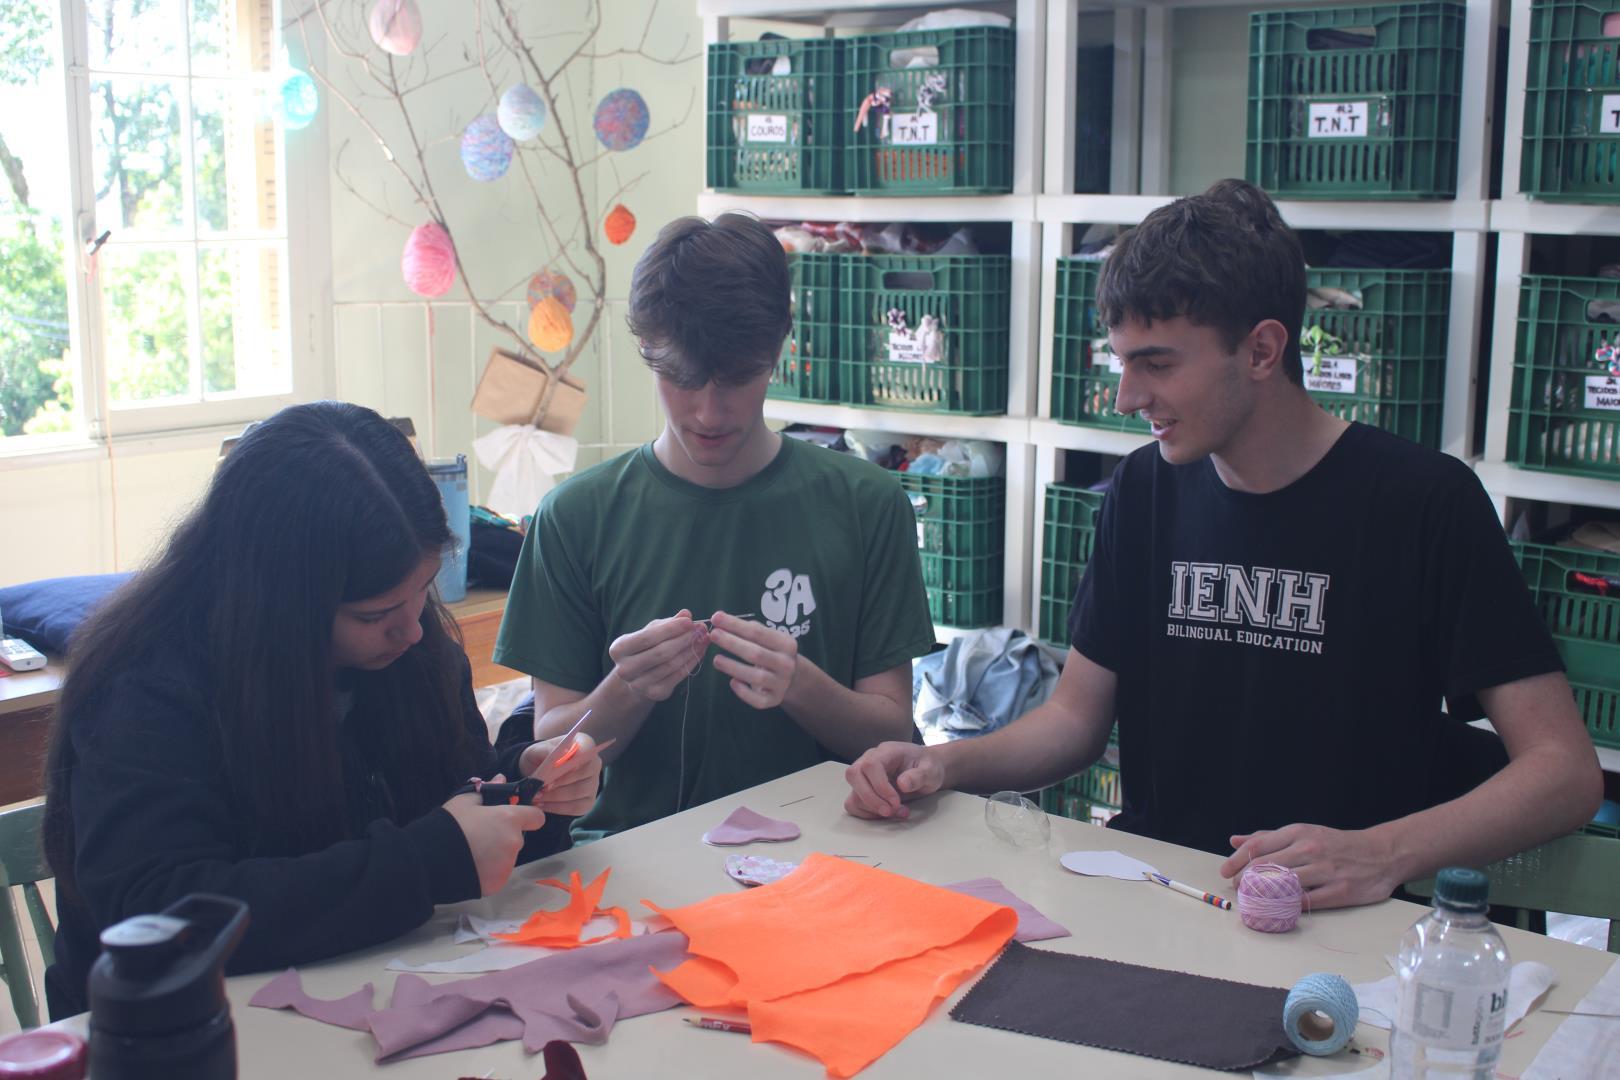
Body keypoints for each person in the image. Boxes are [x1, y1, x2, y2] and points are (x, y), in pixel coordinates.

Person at [843, 180, 1604, 909]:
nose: (1127, 399)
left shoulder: (1423, 503)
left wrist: (1384, 853)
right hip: (1162, 892)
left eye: (1157, 364)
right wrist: (940, 762)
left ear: (1263, 351)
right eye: (1122, 363)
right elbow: (1075, 720)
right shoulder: (1144, 492)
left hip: (1339, 921)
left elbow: (1564, 773)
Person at [41, 402, 602, 1019]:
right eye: (374, 615)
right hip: (177, 1036)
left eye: (423, 592)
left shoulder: (408, 651)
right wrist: (426, 863)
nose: (413, 631)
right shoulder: (145, 687)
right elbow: (162, 915)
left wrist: (523, 792)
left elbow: (448, 803)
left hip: (361, 995)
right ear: (278, 602)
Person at [493, 213, 935, 839]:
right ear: (647, 351)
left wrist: (799, 683)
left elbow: (892, 734)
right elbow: (549, 751)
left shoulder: (866, 504)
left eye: (737, 377)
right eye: (681, 377)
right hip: (627, 868)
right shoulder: (575, 518)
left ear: (778, 348)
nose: (709, 409)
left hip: (824, 863)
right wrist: (629, 687)